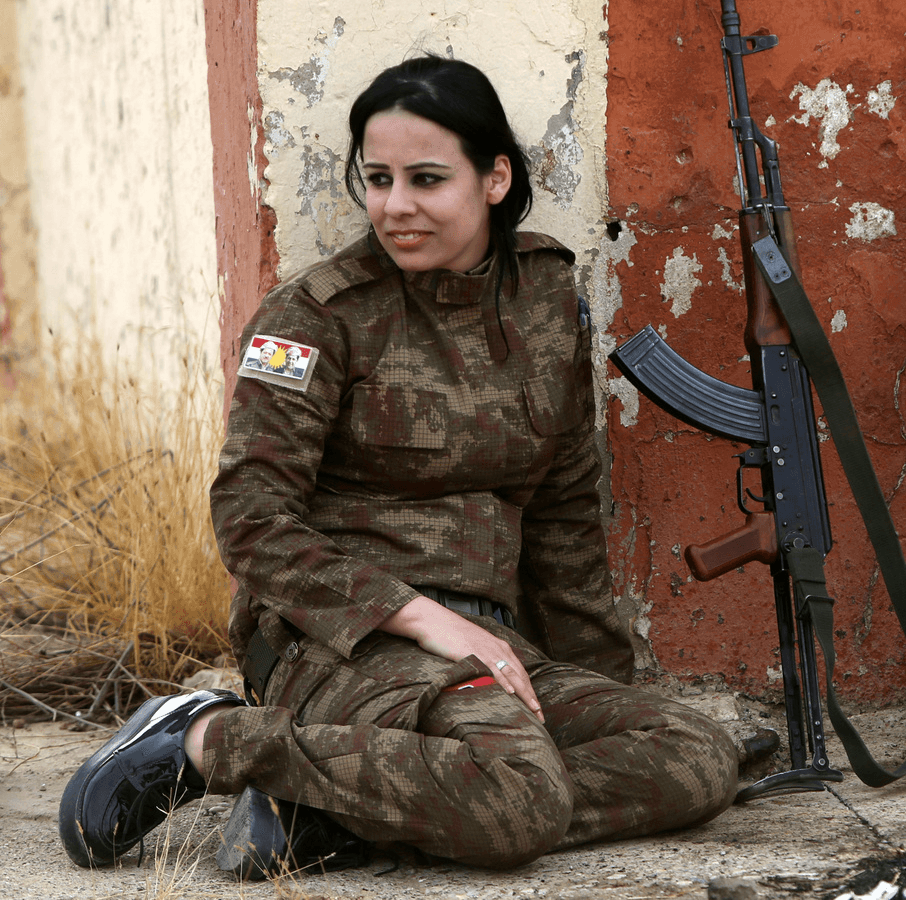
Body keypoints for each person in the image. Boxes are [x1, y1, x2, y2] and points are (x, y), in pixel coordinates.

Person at [59, 55, 739, 879]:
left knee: (696, 755)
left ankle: (334, 813)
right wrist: (420, 617)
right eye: (377, 179)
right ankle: (208, 738)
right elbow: (251, 518)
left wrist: (596, 693)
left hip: (489, 646)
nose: (395, 206)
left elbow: (563, 511)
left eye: (425, 179)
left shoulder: (546, 301)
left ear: (494, 179)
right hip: (341, 647)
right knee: (520, 795)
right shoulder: (314, 316)